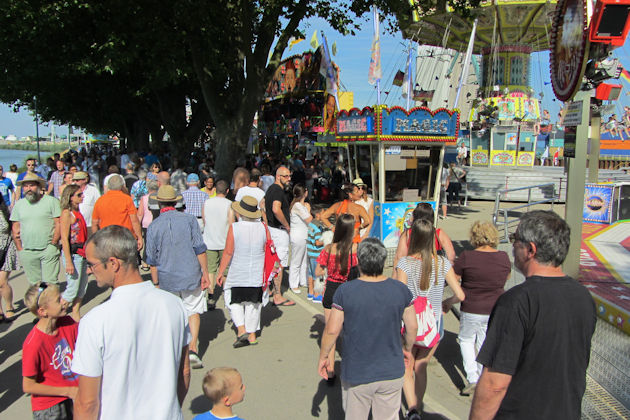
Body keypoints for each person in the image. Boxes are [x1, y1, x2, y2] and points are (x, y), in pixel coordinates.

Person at [469, 211, 596, 419]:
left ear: (530, 249)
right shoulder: (583, 297)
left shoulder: (516, 302)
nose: (511, 246)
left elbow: (494, 384)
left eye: (515, 240)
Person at [72, 226, 191, 419]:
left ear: (113, 264)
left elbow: (87, 403)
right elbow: (184, 372)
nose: (89, 270)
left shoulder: (95, 321)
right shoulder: (175, 305)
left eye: (92, 264)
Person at [317, 238, 418, 420]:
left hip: (357, 370)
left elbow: (332, 330)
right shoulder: (400, 290)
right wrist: (407, 349)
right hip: (391, 370)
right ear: (382, 261)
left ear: (359, 261)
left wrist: (324, 355)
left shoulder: (345, 291)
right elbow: (412, 327)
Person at [395, 219, 465, 420]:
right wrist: (447, 303)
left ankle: (412, 410)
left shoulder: (405, 264)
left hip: (409, 323)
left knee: (407, 365)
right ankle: (418, 405)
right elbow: (460, 295)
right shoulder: (442, 262)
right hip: (433, 324)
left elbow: (400, 296)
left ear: (413, 238)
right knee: (422, 365)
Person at [145, 185, 209, 369]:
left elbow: (152, 260)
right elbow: (199, 249)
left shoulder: (153, 226)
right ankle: (193, 348)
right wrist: (205, 273)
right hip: (190, 273)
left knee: (172, 314)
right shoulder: (190, 220)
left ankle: (173, 350)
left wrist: (155, 283)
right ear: (176, 201)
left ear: (158, 203)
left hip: (167, 277)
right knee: (193, 310)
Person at [453, 221, 510, 395]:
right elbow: (505, 278)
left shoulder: (466, 257)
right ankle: (483, 375)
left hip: (471, 306)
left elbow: (454, 280)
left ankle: (473, 378)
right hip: (494, 307)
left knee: (466, 340)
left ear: (474, 237)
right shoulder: (503, 257)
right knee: (484, 341)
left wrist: (449, 300)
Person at [216, 196, 267, 347]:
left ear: (240, 213)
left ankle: (241, 329)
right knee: (253, 302)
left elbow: (228, 252)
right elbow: (267, 248)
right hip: (257, 271)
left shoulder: (235, 228)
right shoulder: (263, 227)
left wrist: (220, 272)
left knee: (233, 299)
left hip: (238, 270)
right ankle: (252, 335)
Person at [22, 283, 79, 419]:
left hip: (72, 396)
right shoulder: (33, 344)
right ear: (42, 311)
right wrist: (68, 390)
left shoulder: (68, 322)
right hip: (50, 407)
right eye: (58, 300)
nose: (63, 301)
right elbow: (28, 386)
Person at [315, 214, 359, 381]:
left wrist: (329, 270)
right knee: (350, 331)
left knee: (330, 331)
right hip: (350, 290)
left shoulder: (328, 249)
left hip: (332, 290)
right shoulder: (355, 249)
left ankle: (331, 370)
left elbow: (318, 271)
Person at [10, 173, 61, 286]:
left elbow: (59, 224)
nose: (29, 189)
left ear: (39, 187)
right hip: (28, 251)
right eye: (26, 186)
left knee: (51, 283)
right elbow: (15, 228)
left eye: (31, 185)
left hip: (48, 249)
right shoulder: (19, 205)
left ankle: (51, 303)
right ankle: (38, 304)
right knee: (35, 285)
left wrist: (53, 243)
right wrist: (20, 249)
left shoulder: (51, 201)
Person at [264, 166, 295, 306]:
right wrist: (286, 225)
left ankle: (269, 290)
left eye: (289, 176)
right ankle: (277, 295)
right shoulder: (277, 190)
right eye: (286, 176)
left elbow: (262, 204)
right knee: (279, 264)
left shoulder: (271, 189)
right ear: (278, 176)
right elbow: (276, 209)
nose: (289, 179)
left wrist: (266, 223)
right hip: (279, 230)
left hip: (272, 229)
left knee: (272, 261)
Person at [393, 202, 456, 270]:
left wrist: (394, 277)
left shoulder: (407, 234)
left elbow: (399, 257)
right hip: (435, 271)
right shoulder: (439, 233)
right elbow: (451, 256)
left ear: (415, 217)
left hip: (412, 272)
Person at [59, 185, 89, 322]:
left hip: (82, 253)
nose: (82, 196)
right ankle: (57, 312)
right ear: (70, 197)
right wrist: (68, 261)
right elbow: (64, 239)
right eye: (78, 195)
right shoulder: (67, 213)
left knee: (82, 287)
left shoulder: (78, 211)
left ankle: (75, 313)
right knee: (72, 288)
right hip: (73, 254)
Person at [91, 174, 143, 251]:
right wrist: (139, 237)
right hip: (125, 238)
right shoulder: (127, 199)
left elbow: (94, 223)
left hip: (106, 239)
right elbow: (134, 221)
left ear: (108, 186)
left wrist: (95, 240)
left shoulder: (100, 201)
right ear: (122, 186)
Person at [202, 180, 232, 309]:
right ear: (227, 191)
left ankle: (211, 296)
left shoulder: (207, 203)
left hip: (209, 240)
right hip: (225, 241)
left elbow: (204, 220)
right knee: (225, 270)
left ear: (214, 190)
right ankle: (227, 296)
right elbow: (231, 223)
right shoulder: (229, 204)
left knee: (210, 269)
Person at [289, 184, 312, 294]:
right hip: (298, 236)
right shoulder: (297, 205)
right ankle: (293, 284)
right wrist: (309, 209)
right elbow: (309, 219)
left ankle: (303, 280)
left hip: (304, 235)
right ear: (304, 193)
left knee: (304, 260)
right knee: (296, 260)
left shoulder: (301, 205)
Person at [0, 195, 17, 322]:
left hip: (6, 248)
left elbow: (14, 229)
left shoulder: (6, 211)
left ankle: (9, 306)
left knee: (2, 282)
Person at [306, 207, 325, 302]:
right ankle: (317, 294)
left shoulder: (311, 224)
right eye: (323, 213)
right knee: (317, 274)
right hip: (316, 254)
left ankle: (310, 292)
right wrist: (326, 240)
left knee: (310, 273)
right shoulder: (318, 227)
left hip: (310, 253)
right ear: (318, 214)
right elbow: (317, 242)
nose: (325, 215)